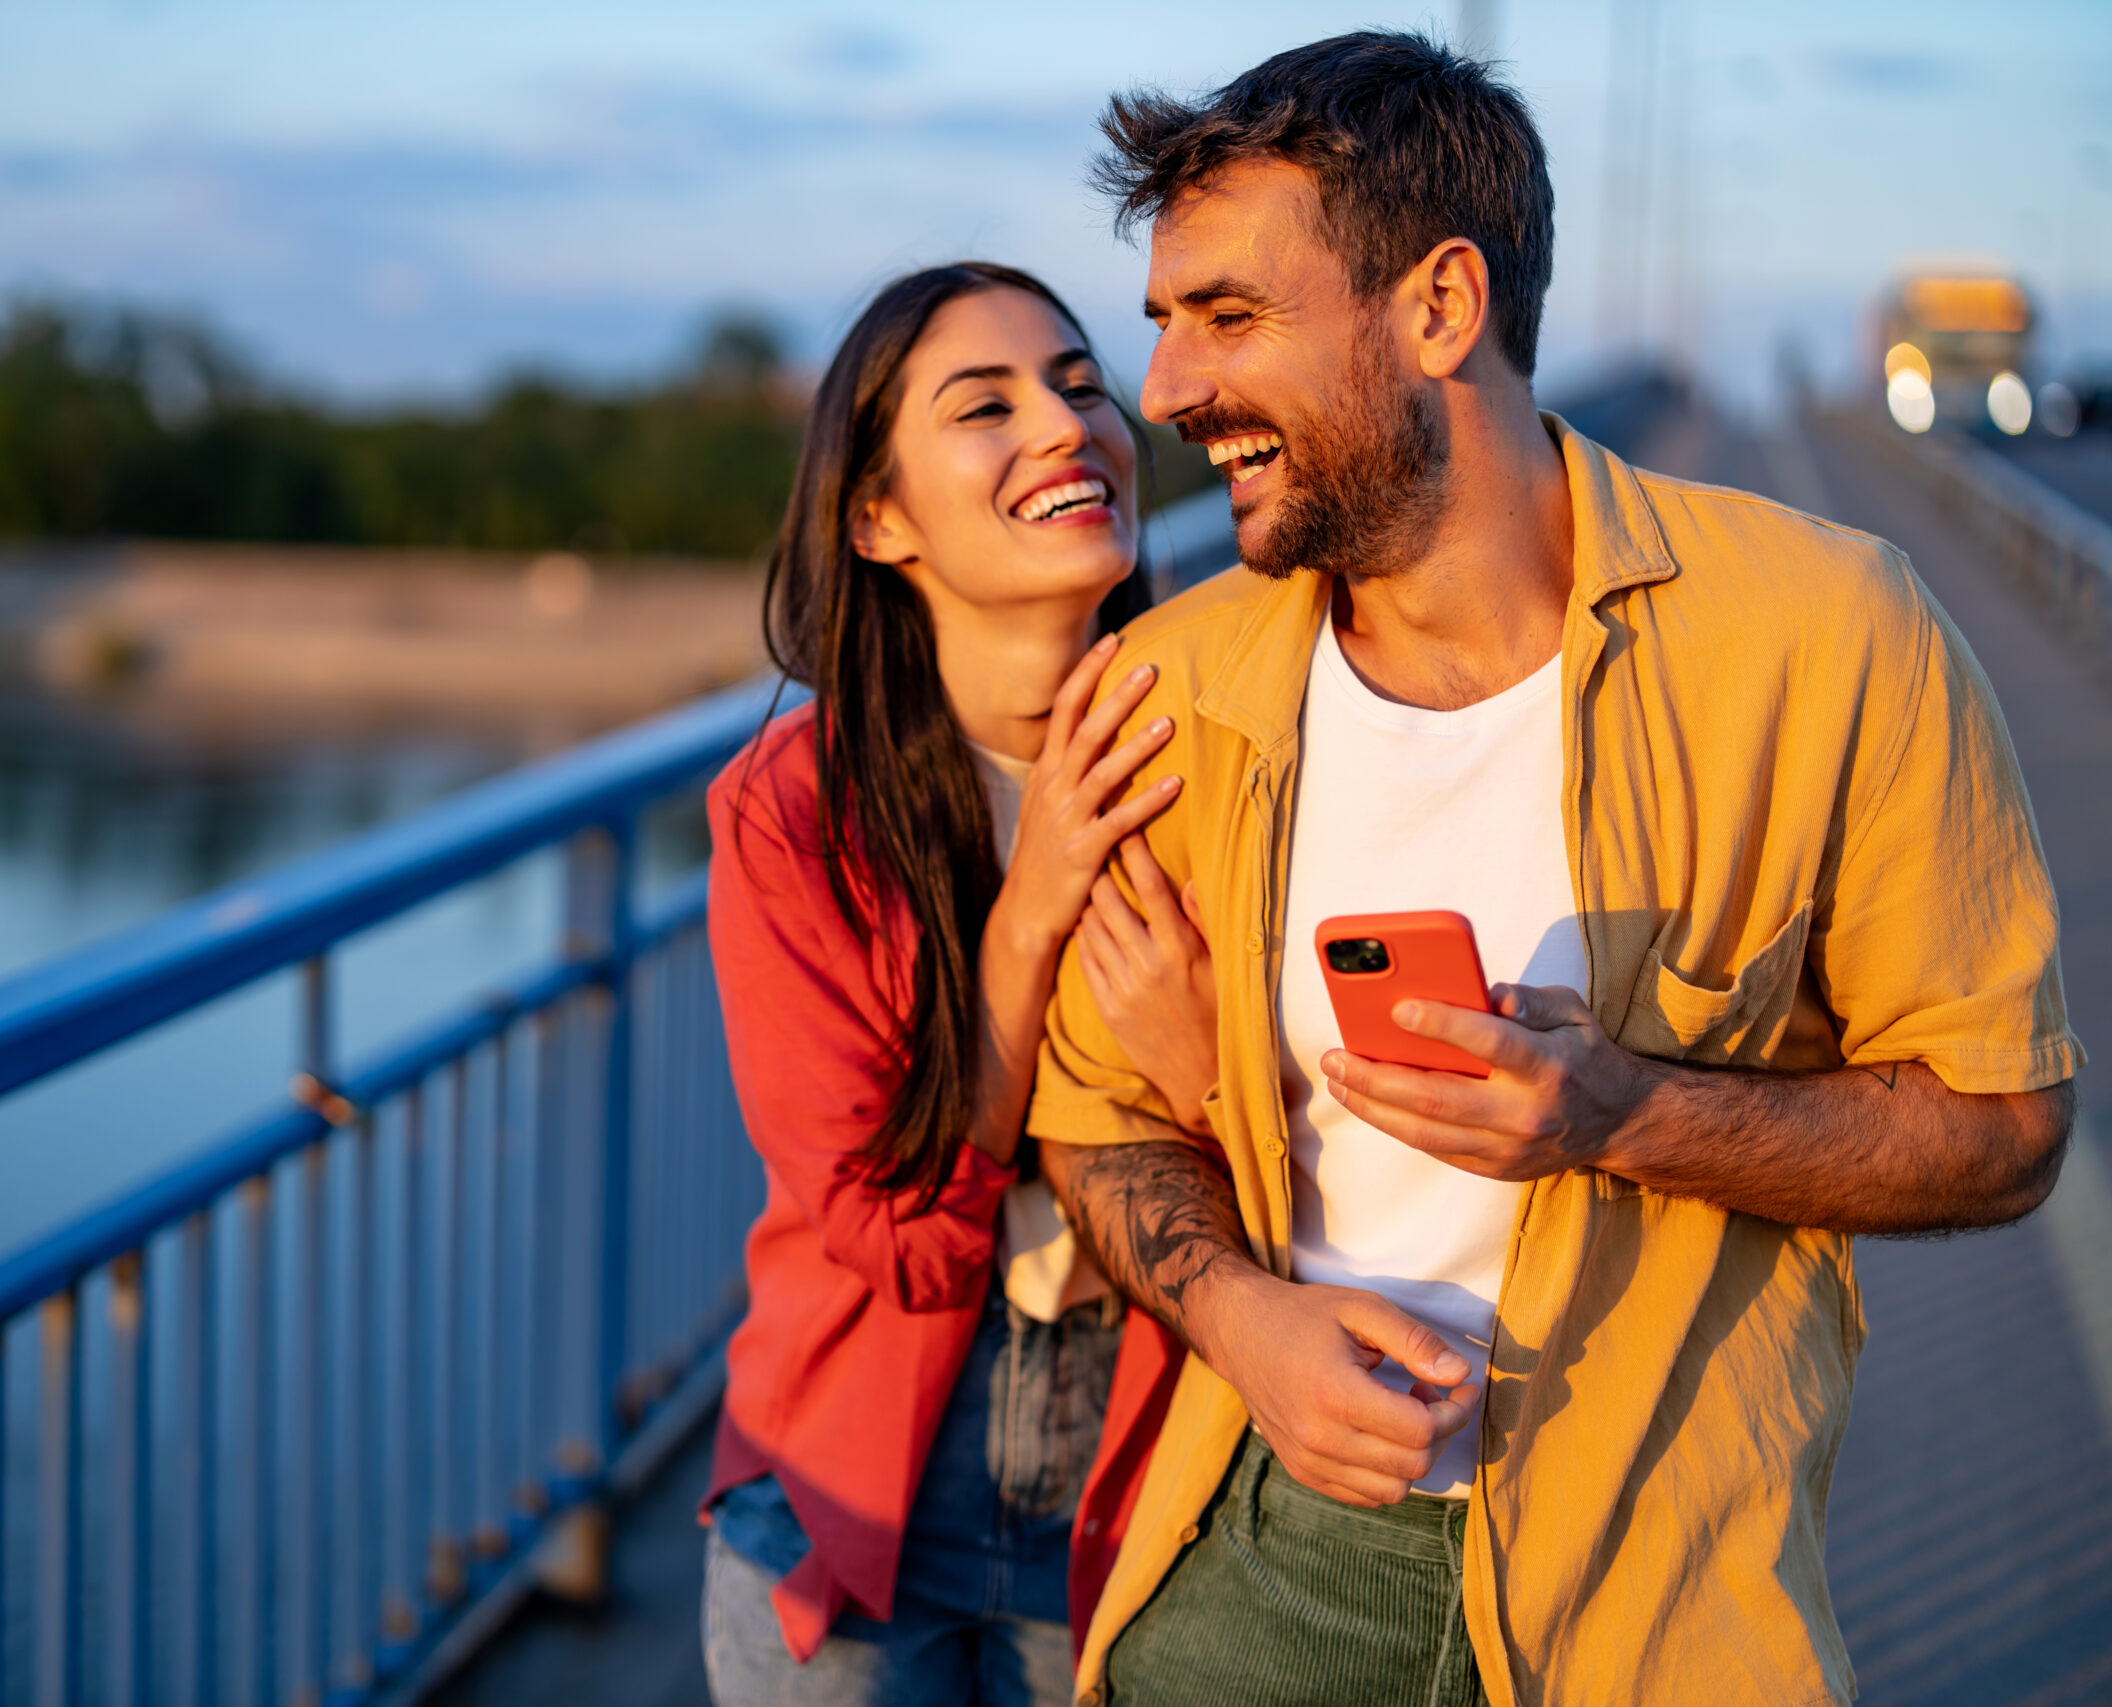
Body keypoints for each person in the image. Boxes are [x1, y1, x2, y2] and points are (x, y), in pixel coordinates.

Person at [1028, 32, 2084, 1707]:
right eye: (1160, 324)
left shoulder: (1831, 636)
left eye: (1227, 318)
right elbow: (1092, 1121)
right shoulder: (1173, 690)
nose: (1161, 389)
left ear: (1440, 308)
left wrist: (1627, 1116)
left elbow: (2009, 1128)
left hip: (1659, 1606)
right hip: (1274, 1562)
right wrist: (1240, 1318)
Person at [699, 262, 1207, 1705]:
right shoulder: (793, 813)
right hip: (854, 1489)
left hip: (1141, 1478)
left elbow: (1323, 1164)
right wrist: (1037, 898)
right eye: (985, 405)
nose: (1063, 426)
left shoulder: (1226, 752)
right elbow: (891, 1231)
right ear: (877, 517)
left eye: (1079, 383)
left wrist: (1208, 1070)